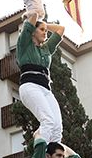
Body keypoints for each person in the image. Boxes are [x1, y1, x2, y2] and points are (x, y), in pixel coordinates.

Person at [17, 12, 67, 144]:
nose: (45, 33)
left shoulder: (46, 49)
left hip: (45, 90)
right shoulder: (24, 44)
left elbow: (61, 29)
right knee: (48, 120)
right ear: (33, 31)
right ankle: (40, 154)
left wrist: (44, 24)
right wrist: (36, 16)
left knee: (57, 127)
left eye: (46, 30)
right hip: (30, 86)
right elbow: (33, 16)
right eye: (41, 30)